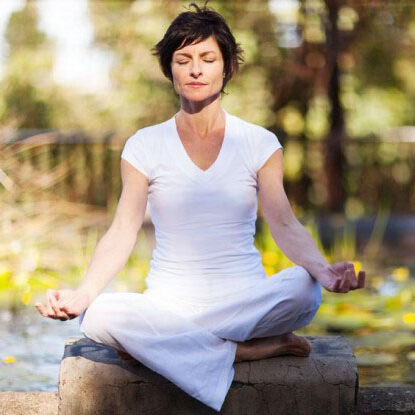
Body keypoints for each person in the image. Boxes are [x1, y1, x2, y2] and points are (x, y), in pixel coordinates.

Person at [35, 1, 366, 412]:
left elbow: (284, 224)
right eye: (183, 59)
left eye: (208, 58)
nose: (195, 69)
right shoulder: (144, 145)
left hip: (244, 301)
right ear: (170, 71)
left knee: (304, 289)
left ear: (226, 68)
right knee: (100, 313)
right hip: (168, 304)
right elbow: (122, 230)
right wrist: (83, 294)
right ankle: (240, 351)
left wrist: (322, 269)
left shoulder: (259, 144)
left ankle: (163, 347)